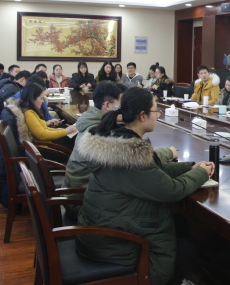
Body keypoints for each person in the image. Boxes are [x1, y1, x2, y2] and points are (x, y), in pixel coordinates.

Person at [75, 87, 214, 285]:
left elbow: (153, 172)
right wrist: (201, 173)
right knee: (188, 251)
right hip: (110, 244)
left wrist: (190, 168)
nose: (158, 115)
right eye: (156, 110)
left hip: (102, 229)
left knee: (180, 224)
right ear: (142, 116)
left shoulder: (118, 141)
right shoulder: (131, 157)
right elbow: (172, 190)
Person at [63, 81, 156, 220]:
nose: (127, 109)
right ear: (107, 105)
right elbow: (135, 157)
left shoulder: (90, 120)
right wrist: (165, 153)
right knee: (152, 203)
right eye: (123, 105)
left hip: (77, 194)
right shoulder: (99, 133)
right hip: (82, 203)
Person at [20, 83, 77, 148]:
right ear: (32, 98)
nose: (42, 101)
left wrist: (55, 130)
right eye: (41, 98)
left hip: (47, 143)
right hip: (46, 147)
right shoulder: (28, 114)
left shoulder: (30, 111)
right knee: (75, 140)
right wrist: (65, 131)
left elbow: (42, 128)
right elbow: (42, 135)